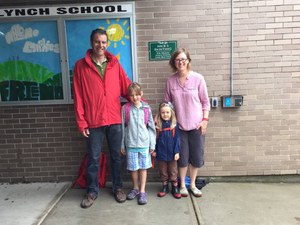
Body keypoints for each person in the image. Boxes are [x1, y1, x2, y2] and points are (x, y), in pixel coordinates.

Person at [73, 29, 132, 208]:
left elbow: (127, 87)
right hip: (93, 121)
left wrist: (141, 104)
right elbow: (78, 95)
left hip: (114, 118)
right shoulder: (80, 66)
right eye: (97, 42)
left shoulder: (114, 63)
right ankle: (92, 191)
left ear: (108, 44)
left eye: (104, 42)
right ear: (91, 43)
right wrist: (81, 122)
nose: (101, 45)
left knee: (117, 157)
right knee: (93, 158)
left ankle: (118, 188)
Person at [156, 47, 210, 198]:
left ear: (188, 61)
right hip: (178, 127)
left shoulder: (198, 78)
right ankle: (181, 186)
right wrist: (157, 115)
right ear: (174, 62)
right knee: (182, 157)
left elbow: (206, 103)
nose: (181, 62)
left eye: (183, 59)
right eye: (177, 60)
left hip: (197, 125)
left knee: (196, 156)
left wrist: (205, 121)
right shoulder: (170, 81)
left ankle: (192, 185)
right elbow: (167, 102)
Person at [121, 82, 156, 205]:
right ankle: (135, 188)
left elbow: (151, 127)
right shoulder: (125, 109)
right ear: (128, 96)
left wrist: (152, 145)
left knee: (143, 168)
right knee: (133, 168)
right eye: (131, 95)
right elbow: (123, 127)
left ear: (141, 94)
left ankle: (142, 191)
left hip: (144, 144)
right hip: (130, 144)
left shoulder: (146, 108)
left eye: (137, 94)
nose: (134, 97)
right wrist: (122, 145)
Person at [153, 101, 181, 199]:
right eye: (163, 112)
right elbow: (154, 139)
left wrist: (177, 151)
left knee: (173, 170)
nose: (165, 114)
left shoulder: (174, 125)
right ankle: (165, 186)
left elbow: (177, 139)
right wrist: (154, 150)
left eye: (167, 112)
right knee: (163, 171)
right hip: (161, 153)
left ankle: (175, 187)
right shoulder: (157, 126)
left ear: (171, 113)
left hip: (172, 153)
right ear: (159, 113)